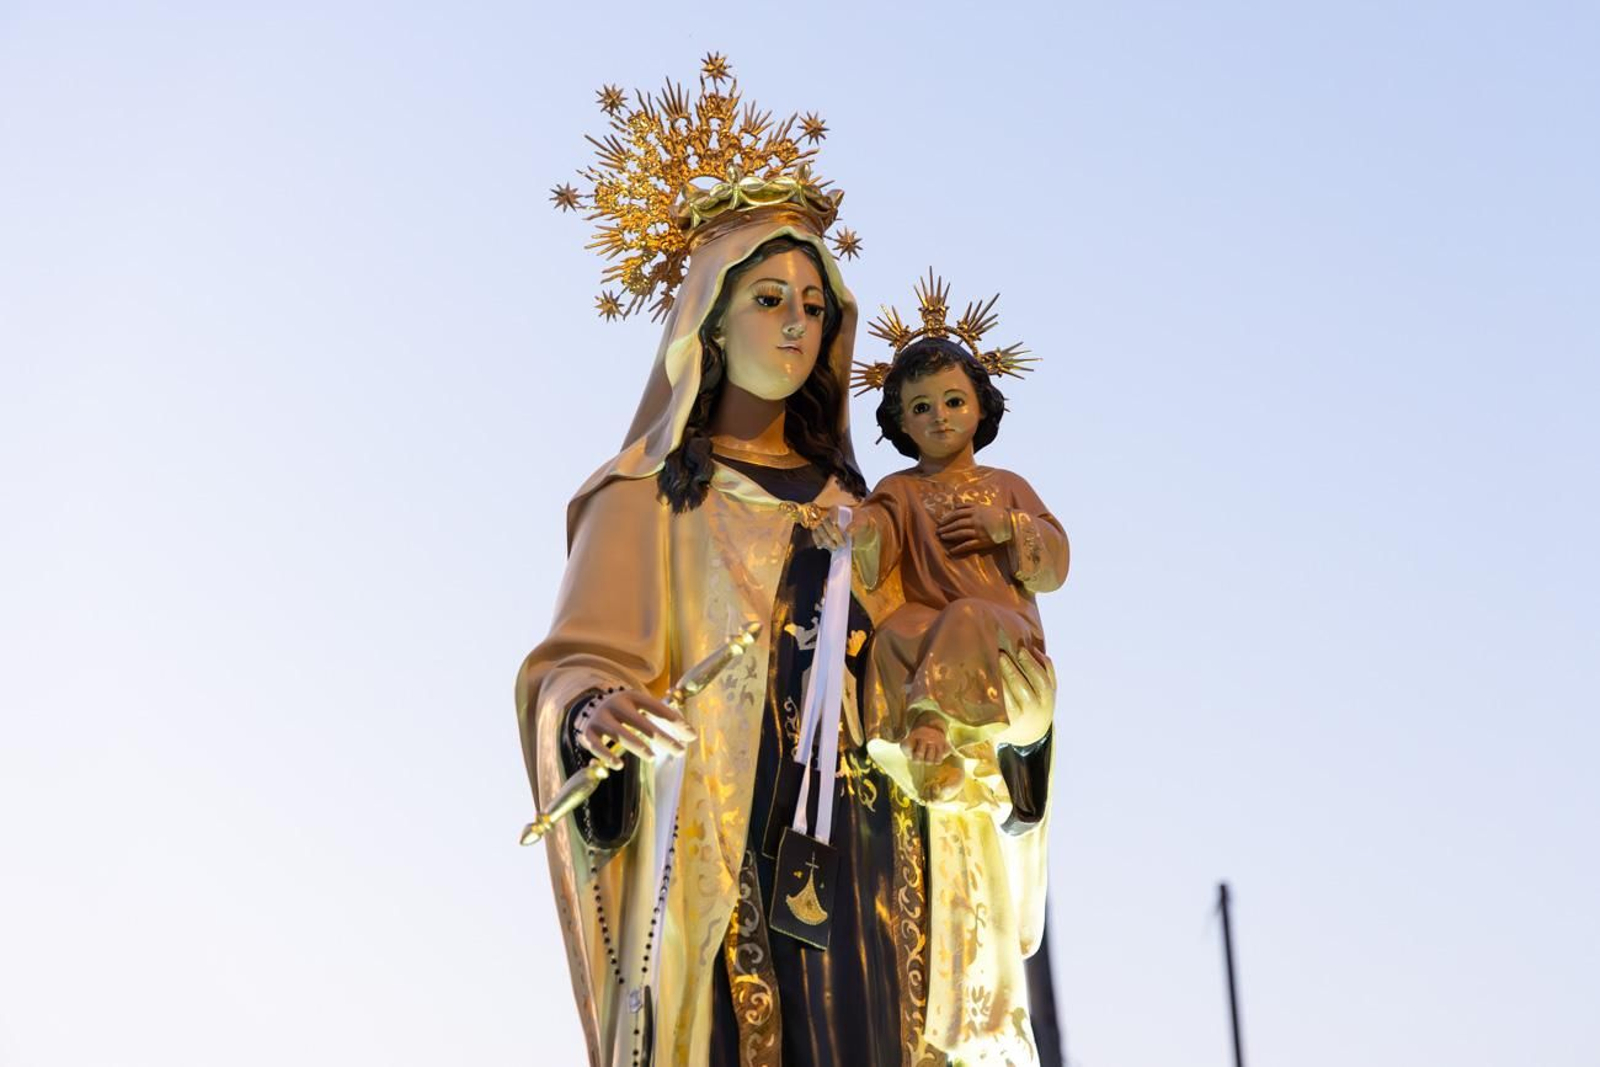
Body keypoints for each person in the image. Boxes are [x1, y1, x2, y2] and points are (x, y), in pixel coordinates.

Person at [518, 60, 1059, 1067]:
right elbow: (572, 664)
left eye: (813, 302)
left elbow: (958, 655)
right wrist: (590, 712)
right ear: (709, 322)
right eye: (769, 297)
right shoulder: (644, 498)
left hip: (882, 857)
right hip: (728, 851)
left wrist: (1017, 719)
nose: (798, 323)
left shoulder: (867, 510)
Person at [848, 334, 1069, 807]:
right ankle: (930, 765)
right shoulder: (900, 489)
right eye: (922, 407)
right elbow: (874, 540)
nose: (940, 416)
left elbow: (1054, 564)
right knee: (892, 636)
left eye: (953, 401)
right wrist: (851, 526)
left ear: (980, 407)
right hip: (928, 627)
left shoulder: (1005, 485)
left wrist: (1008, 527)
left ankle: (933, 720)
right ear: (902, 422)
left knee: (966, 615)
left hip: (1002, 634)